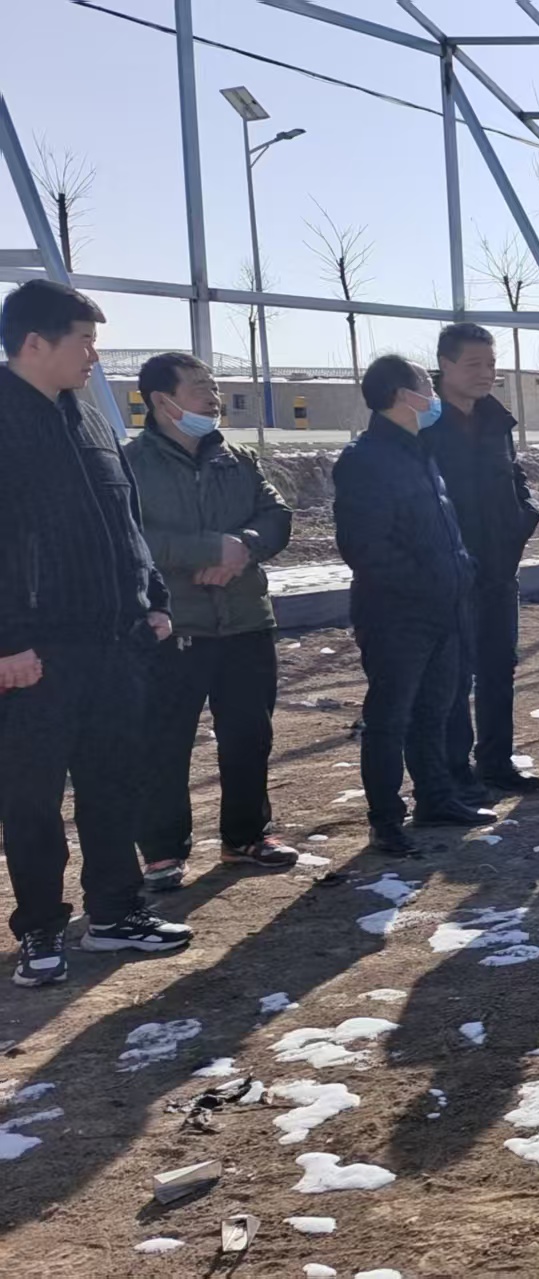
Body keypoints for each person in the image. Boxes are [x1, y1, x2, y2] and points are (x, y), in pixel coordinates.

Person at [0, 280, 193, 986]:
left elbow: (125, 519)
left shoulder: (87, 417)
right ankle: (41, 927)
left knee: (113, 783)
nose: (94, 355)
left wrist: (153, 598)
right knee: (32, 798)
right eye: (84, 340)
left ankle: (114, 912)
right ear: (34, 342)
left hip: (114, 642)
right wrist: (7, 640)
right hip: (36, 652)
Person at [125, 352, 297, 890]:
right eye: (200, 386)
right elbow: (130, 537)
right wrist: (206, 550)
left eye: (214, 385)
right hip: (173, 625)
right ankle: (162, 852)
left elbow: (277, 516)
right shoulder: (131, 465)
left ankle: (246, 836)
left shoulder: (237, 459)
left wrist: (242, 548)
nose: (213, 396)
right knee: (164, 741)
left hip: (245, 619)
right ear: (162, 400)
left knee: (249, 734)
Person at [335, 355, 491, 854]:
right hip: (397, 616)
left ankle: (436, 798)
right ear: (404, 395)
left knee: (434, 710)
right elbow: (366, 547)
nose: (434, 395)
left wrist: (461, 571)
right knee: (390, 718)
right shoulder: (365, 460)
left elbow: (440, 529)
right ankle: (385, 819)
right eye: (427, 384)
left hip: (444, 608)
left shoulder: (419, 451)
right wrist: (427, 585)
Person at [426, 323, 539, 795]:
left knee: (499, 669)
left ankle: (495, 763)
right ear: (445, 365)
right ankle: (453, 775)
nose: (485, 373)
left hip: (498, 569)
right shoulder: (424, 423)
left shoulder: (497, 421)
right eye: (474, 364)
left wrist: (523, 518)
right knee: (452, 677)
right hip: (448, 575)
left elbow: (513, 478)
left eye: (491, 364)